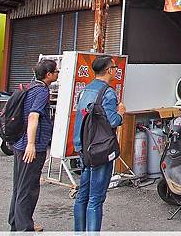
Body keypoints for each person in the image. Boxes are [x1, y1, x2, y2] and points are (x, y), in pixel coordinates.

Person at [73, 56, 126, 232]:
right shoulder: (108, 93)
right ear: (109, 70)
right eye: (114, 67)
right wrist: (120, 113)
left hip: (83, 147)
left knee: (82, 196)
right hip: (100, 150)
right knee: (96, 198)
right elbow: (112, 121)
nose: (116, 70)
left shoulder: (85, 90)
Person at [9, 59, 59, 232]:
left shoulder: (30, 88)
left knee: (19, 186)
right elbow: (33, 116)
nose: (58, 74)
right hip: (30, 146)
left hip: (19, 144)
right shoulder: (41, 91)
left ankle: (17, 223)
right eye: (56, 72)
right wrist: (31, 144)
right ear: (48, 75)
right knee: (28, 188)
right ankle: (25, 228)